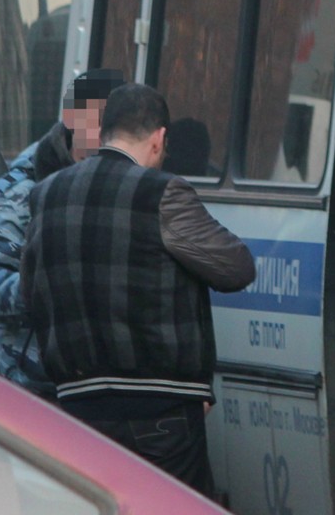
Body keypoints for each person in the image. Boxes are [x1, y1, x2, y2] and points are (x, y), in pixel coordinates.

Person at [21, 83, 255, 496]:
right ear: (159, 138)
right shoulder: (161, 193)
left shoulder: (46, 195)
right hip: (161, 413)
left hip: (78, 409)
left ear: (105, 131)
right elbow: (234, 268)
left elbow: (29, 295)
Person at [0, 68, 124, 396]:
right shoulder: (23, 188)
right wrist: (47, 289)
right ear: (72, 117)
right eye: (99, 119)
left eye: (115, 122)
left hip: (105, 388)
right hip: (30, 387)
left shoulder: (126, 183)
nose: (107, 132)